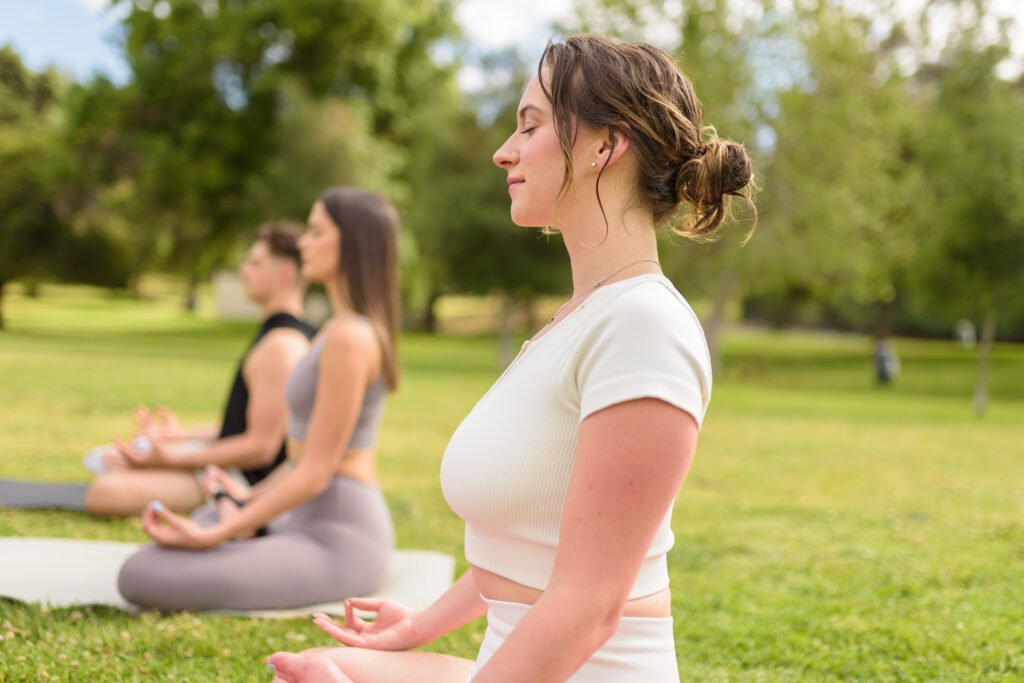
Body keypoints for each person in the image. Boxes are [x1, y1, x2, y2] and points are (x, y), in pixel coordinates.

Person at [267, 35, 756, 682]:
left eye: (530, 126)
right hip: (509, 659)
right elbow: (534, 545)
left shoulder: (644, 326)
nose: (504, 151)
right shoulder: (577, 320)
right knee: (309, 669)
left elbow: (589, 606)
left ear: (604, 146)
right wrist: (418, 626)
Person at [117, 187, 401, 612]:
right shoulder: (335, 329)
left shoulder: (350, 337)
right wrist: (246, 498)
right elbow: (299, 460)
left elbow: (317, 472)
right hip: (300, 517)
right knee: (195, 530)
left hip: (338, 537)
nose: (303, 242)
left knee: (141, 574)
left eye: (315, 231)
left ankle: (239, 529)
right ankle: (244, 525)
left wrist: (216, 534)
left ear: (352, 244)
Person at [82, 223, 316, 517]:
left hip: (241, 480)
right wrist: (175, 438)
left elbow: (261, 448)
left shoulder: (282, 346)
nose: (244, 270)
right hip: (229, 466)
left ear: (284, 274)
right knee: (102, 458)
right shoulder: (278, 337)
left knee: (105, 491)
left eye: (255, 263)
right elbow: (243, 427)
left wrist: (168, 459)